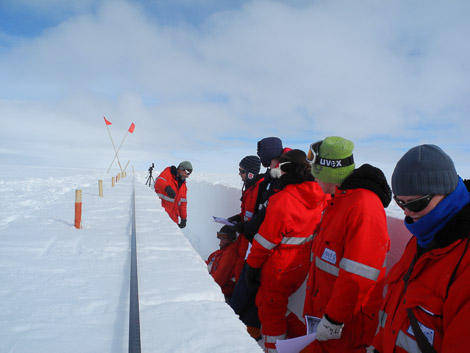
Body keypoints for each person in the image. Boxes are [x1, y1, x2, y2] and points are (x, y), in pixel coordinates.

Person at [371, 145, 470, 353]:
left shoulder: (464, 262)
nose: (408, 213)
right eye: (400, 203)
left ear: (445, 192)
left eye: (416, 204)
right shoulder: (422, 236)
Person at [303, 136, 392, 353]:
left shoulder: (364, 207)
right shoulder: (339, 201)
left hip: (345, 326)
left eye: (317, 172)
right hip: (324, 315)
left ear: (329, 172)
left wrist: (334, 319)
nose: (314, 179)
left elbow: (359, 274)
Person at [246, 149, 328, 353]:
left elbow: (265, 241)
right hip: (300, 266)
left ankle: (273, 349)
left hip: (279, 268)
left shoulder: (282, 199)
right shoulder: (321, 194)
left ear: (286, 170)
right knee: (275, 306)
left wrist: (252, 266)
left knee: (271, 312)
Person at [229, 137, 284, 342]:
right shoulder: (254, 186)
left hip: (258, 244)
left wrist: (247, 227)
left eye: (242, 171)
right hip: (251, 242)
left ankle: (240, 323)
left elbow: (262, 215)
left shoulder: (263, 186)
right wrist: (240, 220)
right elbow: (252, 214)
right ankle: (241, 320)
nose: (240, 174)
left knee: (251, 284)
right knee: (246, 282)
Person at [206, 225, 240, 301]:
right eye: (220, 236)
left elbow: (217, 280)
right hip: (219, 289)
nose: (221, 240)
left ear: (233, 238)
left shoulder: (230, 254)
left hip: (222, 293)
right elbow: (213, 263)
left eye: (224, 237)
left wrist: (203, 281)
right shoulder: (223, 251)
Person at [154, 161, 192, 228]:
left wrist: (183, 218)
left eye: (189, 174)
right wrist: (167, 188)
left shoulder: (183, 186)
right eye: (187, 172)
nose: (187, 175)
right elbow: (158, 182)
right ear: (180, 169)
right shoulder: (168, 172)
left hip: (173, 219)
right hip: (161, 216)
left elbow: (183, 204)